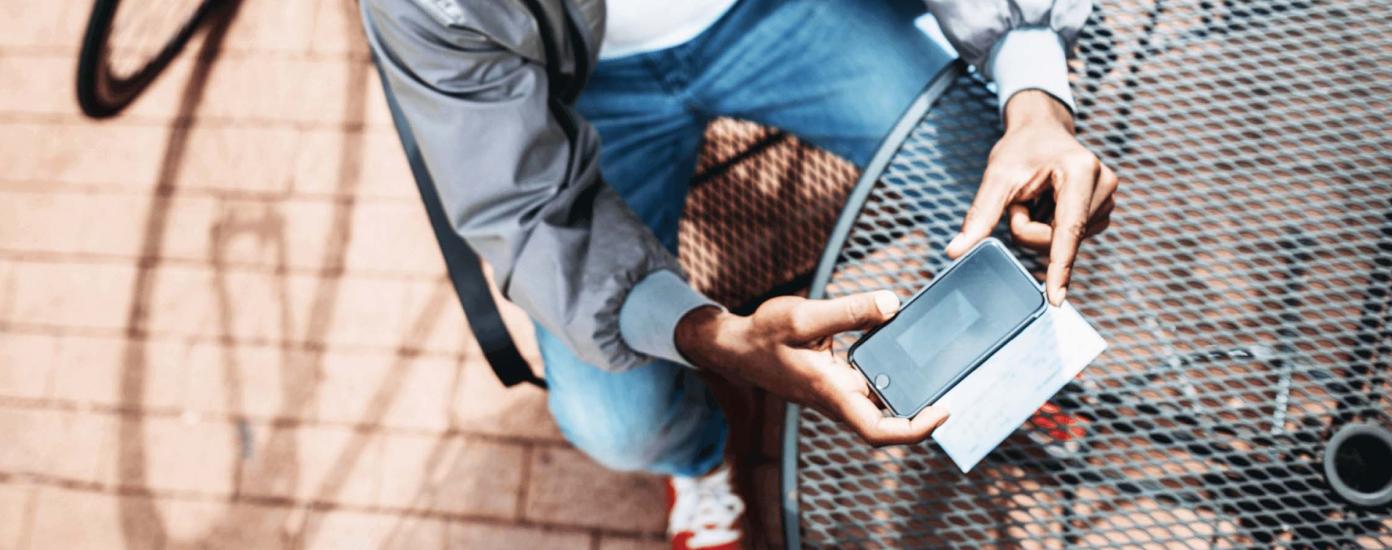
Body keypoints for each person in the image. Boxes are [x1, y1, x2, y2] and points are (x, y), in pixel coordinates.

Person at [361, 0, 1118, 547]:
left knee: (1020, 209)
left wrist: (1033, 94)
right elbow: (525, 211)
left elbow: (1029, 102)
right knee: (616, 428)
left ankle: (972, 357)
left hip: (787, 15)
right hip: (590, 86)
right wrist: (709, 335)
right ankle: (697, 459)